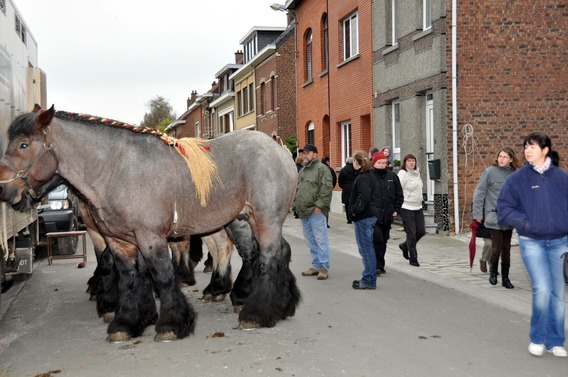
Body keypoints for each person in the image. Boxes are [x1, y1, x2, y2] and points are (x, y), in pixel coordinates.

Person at [497, 132, 568, 357]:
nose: (528, 150)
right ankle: (538, 338)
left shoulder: (560, 177)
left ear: (545, 150)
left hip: (559, 242)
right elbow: (504, 208)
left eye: (533, 147)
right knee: (543, 289)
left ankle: (555, 341)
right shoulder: (517, 179)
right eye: (526, 146)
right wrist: (526, 224)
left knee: (557, 293)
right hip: (532, 242)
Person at [472, 147, 518, 288]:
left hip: (509, 217)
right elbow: (479, 193)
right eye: (500, 156)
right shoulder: (490, 172)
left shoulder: (515, 174)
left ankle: (505, 278)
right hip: (494, 216)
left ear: (511, 159)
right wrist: (478, 214)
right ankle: (493, 272)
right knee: (496, 247)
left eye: (505, 157)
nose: (502, 159)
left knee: (507, 249)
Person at [293, 144, 333, 280]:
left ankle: (324, 267)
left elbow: (326, 189)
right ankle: (315, 266)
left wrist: (319, 206)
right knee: (311, 241)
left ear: (315, 154)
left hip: (316, 211)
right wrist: (296, 206)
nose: (305, 155)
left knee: (321, 240)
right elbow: (299, 189)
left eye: (307, 153)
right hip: (304, 212)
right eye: (303, 153)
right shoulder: (303, 170)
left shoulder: (322, 169)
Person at [348, 151, 378, 289]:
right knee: (367, 248)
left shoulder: (363, 177)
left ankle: (369, 280)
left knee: (366, 249)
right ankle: (369, 278)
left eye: (354, 161)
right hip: (369, 215)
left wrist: (354, 210)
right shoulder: (369, 175)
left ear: (356, 162)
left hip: (364, 217)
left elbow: (363, 197)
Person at [371, 151, 404, 275]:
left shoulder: (392, 176)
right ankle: (375, 266)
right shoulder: (369, 176)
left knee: (384, 240)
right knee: (377, 239)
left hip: (388, 214)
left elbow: (399, 194)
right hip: (374, 215)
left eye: (384, 163)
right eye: (379, 163)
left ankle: (381, 264)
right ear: (374, 163)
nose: (381, 165)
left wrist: (396, 209)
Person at [397, 154, 426, 267]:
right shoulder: (403, 174)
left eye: (413, 161)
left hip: (418, 206)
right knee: (411, 234)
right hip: (406, 206)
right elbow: (398, 189)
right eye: (409, 161)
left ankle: (405, 246)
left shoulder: (417, 173)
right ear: (405, 163)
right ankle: (413, 258)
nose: (411, 163)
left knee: (421, 231)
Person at [338, 156, 359, 224]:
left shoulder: (343, 170)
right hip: (354, 187)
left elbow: (340, 181)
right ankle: (354, 216)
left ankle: (348, 218)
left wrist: (343, 187)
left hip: (346, 188)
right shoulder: (356, 169)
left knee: (347, 204)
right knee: (354, 202)